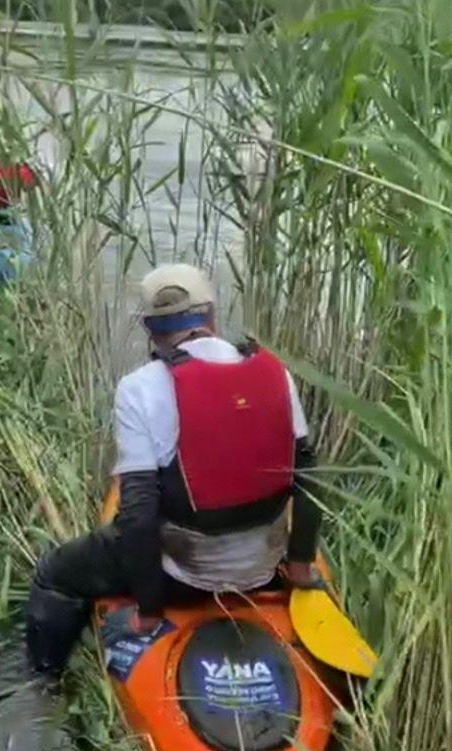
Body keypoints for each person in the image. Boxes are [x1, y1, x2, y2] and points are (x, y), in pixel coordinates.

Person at [23, 264, 326, 680]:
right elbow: (308, 476)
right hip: (262, 571)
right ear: (212, 317)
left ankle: (45, 683)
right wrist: (299, 566)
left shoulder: (139, 387)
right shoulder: (274, 371)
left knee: (54, 574)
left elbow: (139, 513)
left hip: (182, 580)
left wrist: (148, 611)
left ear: (149, 328)